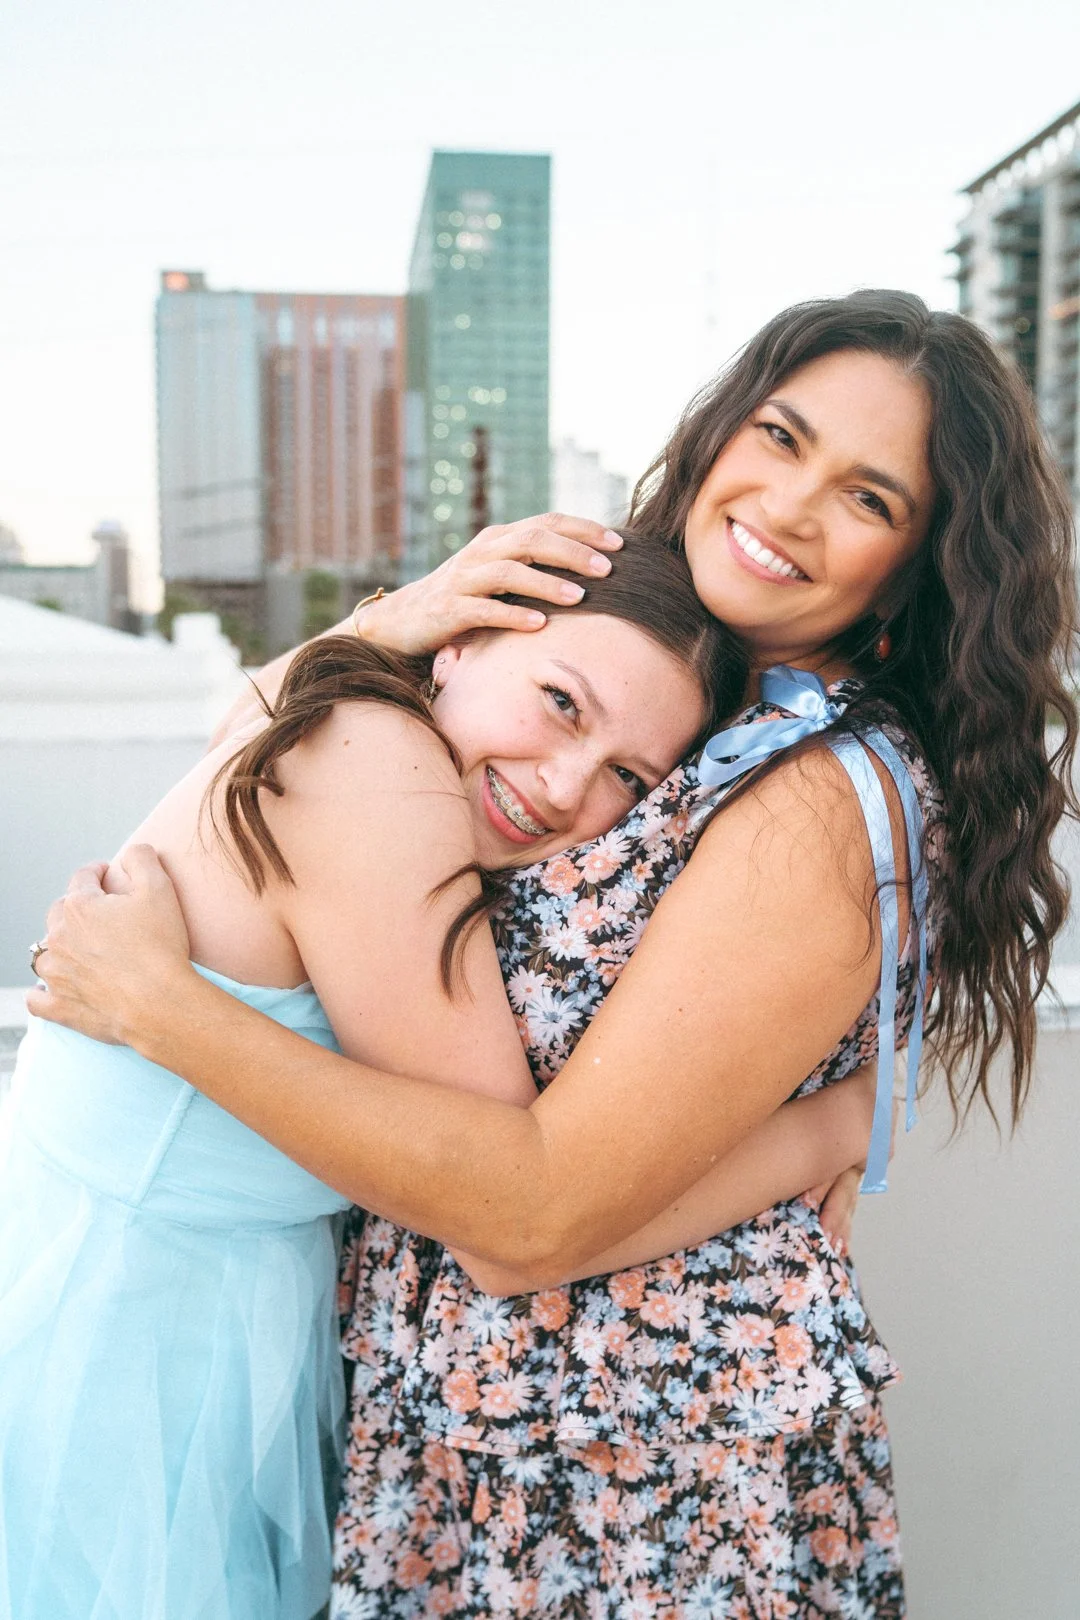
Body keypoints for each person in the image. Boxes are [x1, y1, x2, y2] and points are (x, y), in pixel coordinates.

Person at [30, 291, 1077, 1619]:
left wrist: (163, 1011)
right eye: (780, 433)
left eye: (869, 497)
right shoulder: (687, 692)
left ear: (919, 562)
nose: (793, 503)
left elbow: (530, 1218)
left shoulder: (813, 791)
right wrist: (393, 621)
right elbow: (274, 758)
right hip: (497, 1428)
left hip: (621, 1469)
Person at [7, 535, 875, 1620]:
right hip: (131, 1350)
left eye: (628, 777)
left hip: (174, 1310)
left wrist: (376, 621)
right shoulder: (379, 763)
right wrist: (841, 1124)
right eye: (561, 702)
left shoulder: (345, 713)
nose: (565, 786)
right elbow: (512, 1210)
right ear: (457, 644)